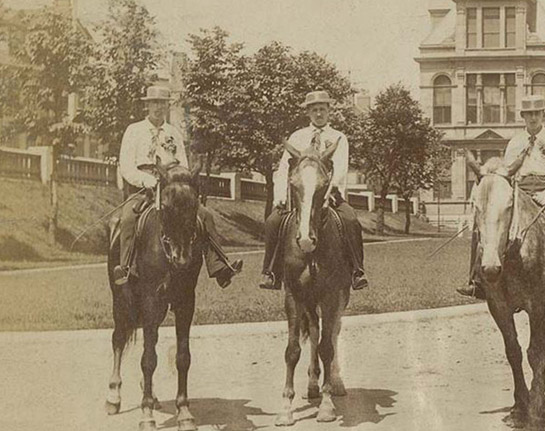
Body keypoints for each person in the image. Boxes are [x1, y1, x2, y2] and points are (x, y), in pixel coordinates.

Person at [112, 85, 242, 287]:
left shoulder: (173, 133)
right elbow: (126, 166)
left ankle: (220, 266)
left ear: (167, 106)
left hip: (171, 188)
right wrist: (148, 181)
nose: (158, 107)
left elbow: (184, 165)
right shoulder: (134, 131)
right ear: (147, 105)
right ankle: (127, 268)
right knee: (128, 218)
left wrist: (175, 182)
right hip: (141, 188)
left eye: (162, 103)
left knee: (204, 215)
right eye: (154, 103)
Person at [456, 94, 545, 303]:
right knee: (483, 226)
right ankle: (476, 281)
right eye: (529, 114)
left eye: (537, 113)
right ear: (523, 116)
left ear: (544, 114)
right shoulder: (516, 141)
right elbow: (507, 172)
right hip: (520, 190)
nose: (533, 118)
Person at [259, 90, 367, 291]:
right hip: (299, 198)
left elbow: (341, 169)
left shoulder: (339, 137)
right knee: (273, 222)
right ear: (308, 112)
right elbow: (283, 169)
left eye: (322, 109)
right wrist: (280, 197)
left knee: (351, 220)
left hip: (329, 195)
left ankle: (356, 271)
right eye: (315, 110)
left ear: (329, 111)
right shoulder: (297, 137)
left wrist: (328, 193)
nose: (319, 114)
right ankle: (271, 272)